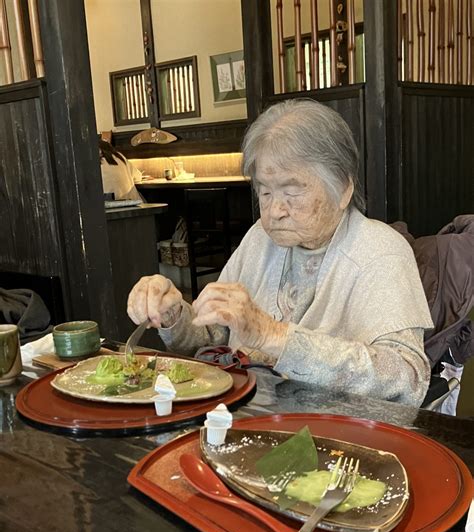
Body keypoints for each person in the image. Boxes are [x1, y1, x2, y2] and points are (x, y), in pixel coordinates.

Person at [127, 99, 433, 406]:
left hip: (332, 437)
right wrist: (174, 315)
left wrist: (275, 336)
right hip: (247, 417)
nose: (274, 211)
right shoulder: (260, 238)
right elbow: (213, 338)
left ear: (343, 189)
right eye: (265, 191)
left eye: (291, 191)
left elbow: (407, 381)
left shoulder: (381, 252)